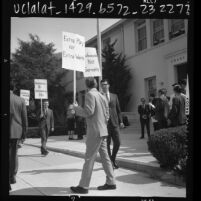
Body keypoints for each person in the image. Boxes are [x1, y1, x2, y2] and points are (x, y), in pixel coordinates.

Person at [70, 77, 116, 194]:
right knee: (105, 158)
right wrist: (103, 124)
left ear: (86, 85)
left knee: (89, 158)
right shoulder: (102, 95)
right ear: (96, 84)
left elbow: (88, 112)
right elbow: (107, 114)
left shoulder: (90, 94)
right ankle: (111, 181)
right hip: (102, 130)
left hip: (95, 131)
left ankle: (84, 186)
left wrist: (75, 109)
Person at [100, 79, 124, 169]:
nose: (103, 86)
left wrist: (121, 121)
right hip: (104, 125)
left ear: (108, 85)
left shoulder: (114, 96)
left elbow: (118, 110)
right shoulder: (100, 96)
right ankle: (110, 162)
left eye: (105, 84)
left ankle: (113, 159)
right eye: (102, 85)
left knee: (117, 143)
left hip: (115, 123)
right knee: (107, 145)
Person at [10, 81, 28, 188]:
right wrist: (24, 135)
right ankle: (12, 176)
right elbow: (24, 120)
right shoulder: (20, 100)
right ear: (14, 88)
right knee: (14, 154)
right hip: (16, 132)